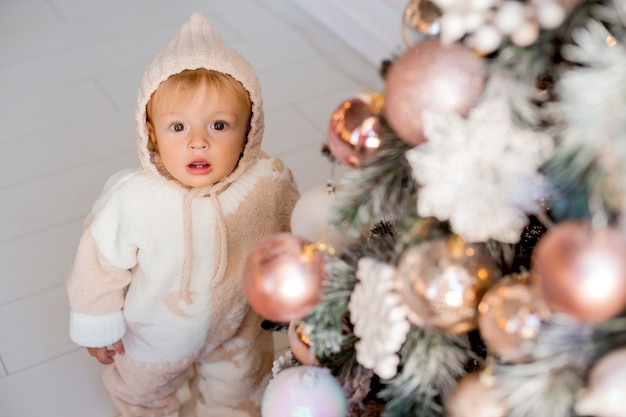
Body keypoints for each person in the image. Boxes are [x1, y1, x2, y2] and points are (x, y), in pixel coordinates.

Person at [66, 13, 300, 417]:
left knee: (244, 390)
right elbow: (98, 265)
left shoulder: (269, 183)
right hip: (153, 335)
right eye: (178, 127)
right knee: (141, 392)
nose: (198, 142)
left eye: (219, 125)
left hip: (239, 329)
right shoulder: (134, 197)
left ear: (249, 130)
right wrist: (98, 323)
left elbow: (295, 237)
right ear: (152, 134)